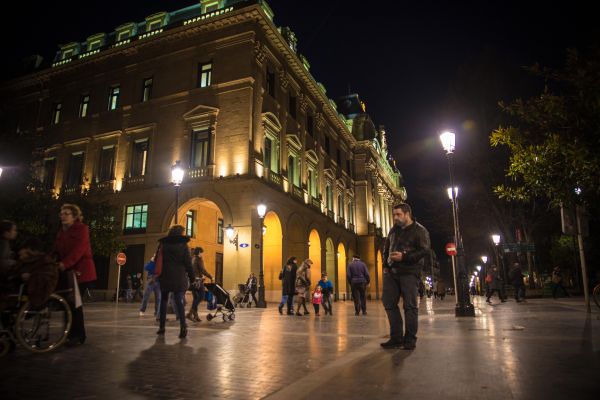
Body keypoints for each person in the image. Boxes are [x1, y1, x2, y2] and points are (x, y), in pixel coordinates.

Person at [381, 203, 431, 350]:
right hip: (391, 272)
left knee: (410, 306)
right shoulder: (394, 230)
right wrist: (385, 265)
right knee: (389, 303)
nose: (395, 217)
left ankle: (410, 339)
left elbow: (424, 250)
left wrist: (404, 257)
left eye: (398, 214)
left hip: (410, 272)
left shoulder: (419, 230)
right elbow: (386, 247)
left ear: (407, 214)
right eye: (394, 215)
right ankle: (396, 338)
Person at [54, 204, 97, 346]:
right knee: (67, 304)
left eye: (67, 213)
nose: (63, 215)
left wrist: (64, 264)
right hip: (68, 272)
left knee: (75, 304)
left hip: (82, 272)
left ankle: (77, 336)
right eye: (62, 213)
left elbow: (79, 251)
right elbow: (57, 250)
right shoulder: (61, 232)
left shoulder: (82, 229)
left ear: (74, 216)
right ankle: (70, 333)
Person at [156, 225, 195, 339]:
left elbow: (158, 259)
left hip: (165, 275)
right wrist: (192, 278)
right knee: (179, 301)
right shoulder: (183, 245)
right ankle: (183, 326)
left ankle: (162, 327)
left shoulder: (163, 244)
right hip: (179, 276)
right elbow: (188, 263)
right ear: (180, 233)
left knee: (164, 301)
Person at [17, 237, 59, 309]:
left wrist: (30, 276)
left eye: (24, 249)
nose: (20, 252)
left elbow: (45, 277)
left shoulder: (45, 261)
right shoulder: (30, 260)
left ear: (30, 249)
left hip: (34, 290)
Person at [187, 247, 213, 322]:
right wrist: (210, 276)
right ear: (199, 253)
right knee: (201, 296)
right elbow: (203, 270)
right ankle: (190, 313)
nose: (203, 254)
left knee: (195, 298)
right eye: (202, 253)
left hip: (192, 282)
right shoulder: (199, 260)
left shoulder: (193, 259)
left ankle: (195, 315)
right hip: (198, 282)